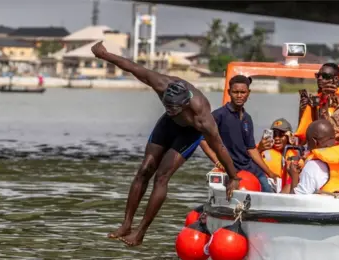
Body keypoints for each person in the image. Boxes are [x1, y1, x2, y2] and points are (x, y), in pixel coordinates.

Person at [91, 41, 240, 246]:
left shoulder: (202, 118)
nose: (169, 109)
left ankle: (140, 233)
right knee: (144, 170)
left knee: (161, 177)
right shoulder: (162, 83)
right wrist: (104, 55)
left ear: (185, 103)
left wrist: (233, 176)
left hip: (190, 133)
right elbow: (133, 67)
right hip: (169, 125)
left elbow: (219, 147)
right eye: (167, 106)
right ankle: (126, 224)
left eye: (174, 108)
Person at [200, 75, 279, 193]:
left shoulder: (247, 118)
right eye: (235, 92)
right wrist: (217, 161)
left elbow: (251, 149)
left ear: (248, 93)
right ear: (229, 92)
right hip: (231, 168)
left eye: (243, 92)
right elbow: (202, 140)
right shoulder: (219, 115)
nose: (239, 95)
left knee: (268, 190)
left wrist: (270, 173)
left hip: (250, 167)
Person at [285, 120, 339, 195]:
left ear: (314, 141)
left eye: (308, 142)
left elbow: (296, 203)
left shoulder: (314, 166)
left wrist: (294, 176)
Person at [295, 63, 339, 143]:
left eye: (325, 76)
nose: (320, 78)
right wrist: (302, 111)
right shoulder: (313, 101)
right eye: (318, 75)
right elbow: (303, 137)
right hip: (319, 146)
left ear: (335, 79)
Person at [257, 118, 298, 189]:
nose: (277, 138)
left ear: (289, 137)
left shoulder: (296, 153)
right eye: (274, 134)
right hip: (267, 188)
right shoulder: (261, 151)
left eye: (281, 135)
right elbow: (247, 162)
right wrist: (259, 149)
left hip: (288, 190)